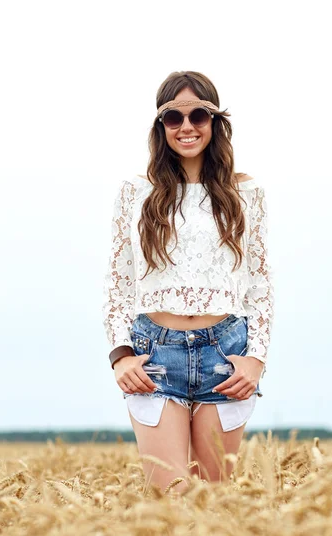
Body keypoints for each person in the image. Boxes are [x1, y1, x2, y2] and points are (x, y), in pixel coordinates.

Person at [102, 70, 275, 495]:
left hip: (226, 355)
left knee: (213, 505)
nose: (186, 127)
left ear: (215, 122)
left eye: (199, 115)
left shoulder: (246, 194)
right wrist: (120, 355)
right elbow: (118, 282)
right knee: (172, 503)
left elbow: (261, 283)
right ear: (160, 127)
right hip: (155, 357)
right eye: (173, 117)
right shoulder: (134, 193)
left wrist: (257, 359)